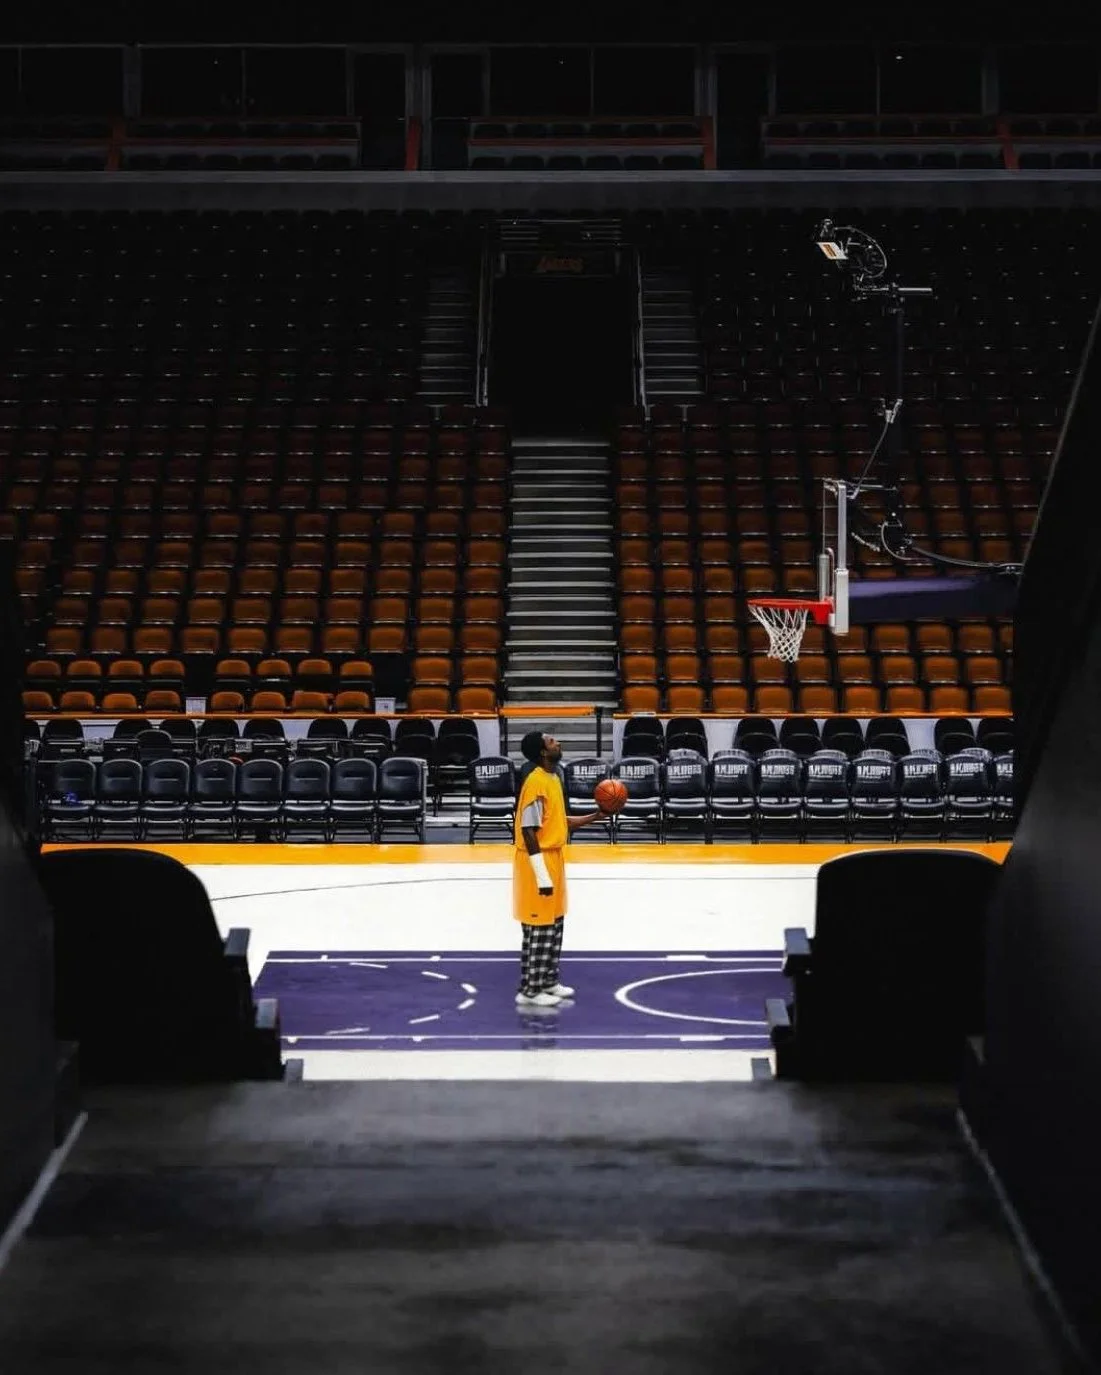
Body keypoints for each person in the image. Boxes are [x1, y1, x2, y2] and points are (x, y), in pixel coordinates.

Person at [513, 730, 603, 1008]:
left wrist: (597, 815)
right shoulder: (535, 783)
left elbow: (559, 821)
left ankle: (548, 980)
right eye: (552, 741)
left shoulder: (553, 777)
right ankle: (530, 990)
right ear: (543, 752)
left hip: (553, 856)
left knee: (554, 924)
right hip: (535, 861)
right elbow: (528, 830)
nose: (558, 742)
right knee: (539, 927)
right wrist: (541, 874)